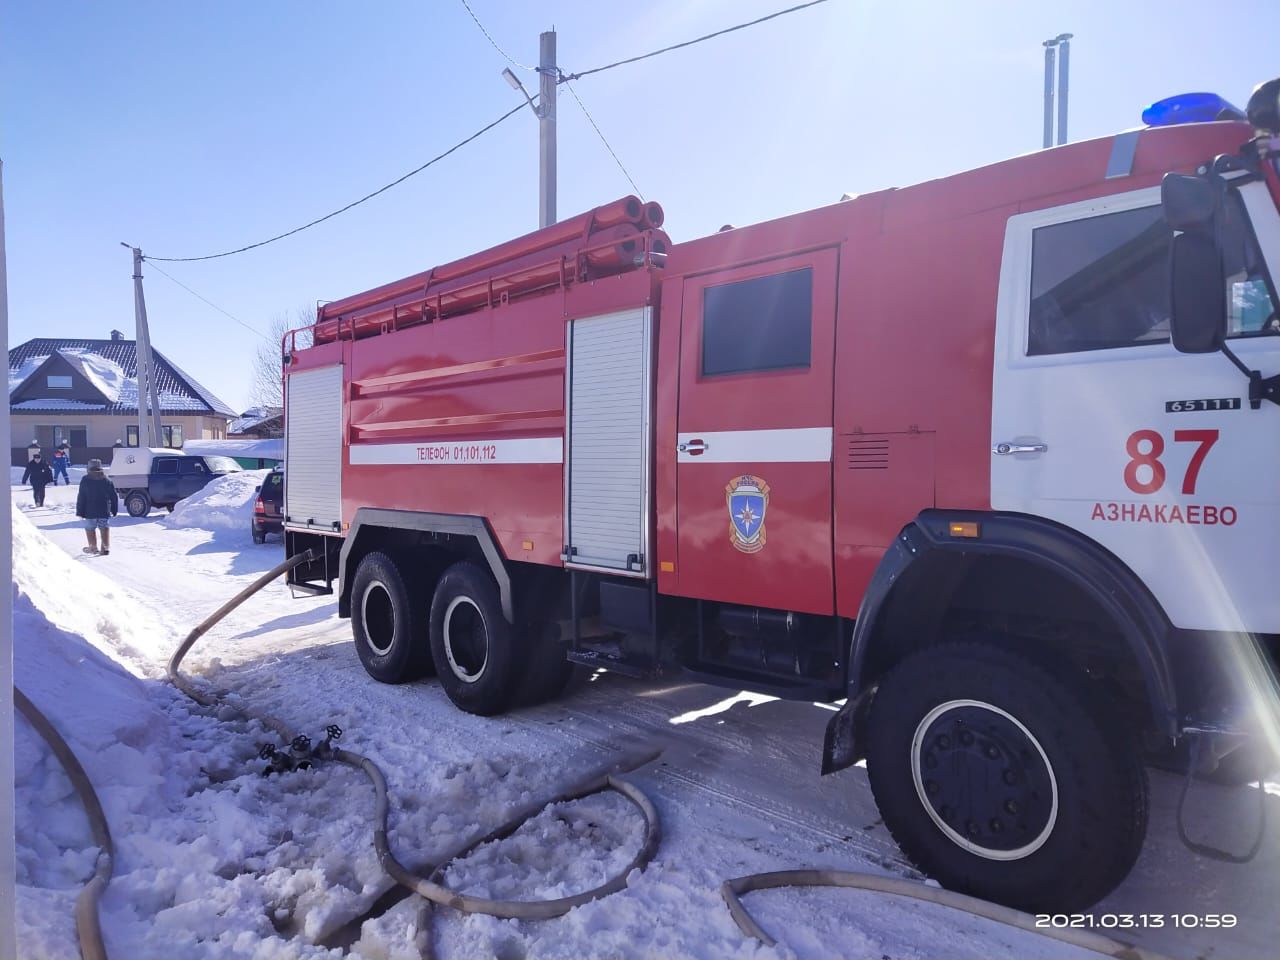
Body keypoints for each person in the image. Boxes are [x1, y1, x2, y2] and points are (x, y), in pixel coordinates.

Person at [76, 458, 118, 555]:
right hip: (104, 510)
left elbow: (81, 496)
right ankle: (105, 548)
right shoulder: (107, 480)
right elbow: (113, 497)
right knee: (104, 527)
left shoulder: (85, 480)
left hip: (89, 511)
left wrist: (80, 511)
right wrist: (114, 509)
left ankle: (93, 547)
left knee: (90, 528)